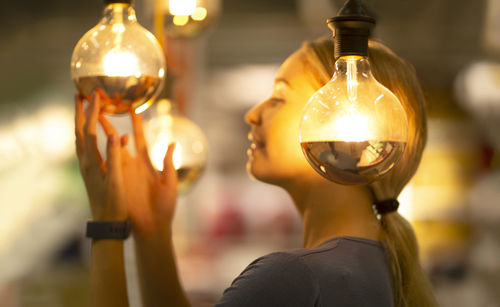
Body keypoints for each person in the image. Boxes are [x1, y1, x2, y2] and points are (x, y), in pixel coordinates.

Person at [75, 37, 438, 307]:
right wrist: (152, 230)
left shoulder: (295, 278)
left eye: (279, 98)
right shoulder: (378, 265)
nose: (254, 113)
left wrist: (107, 221)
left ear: (342, 119)